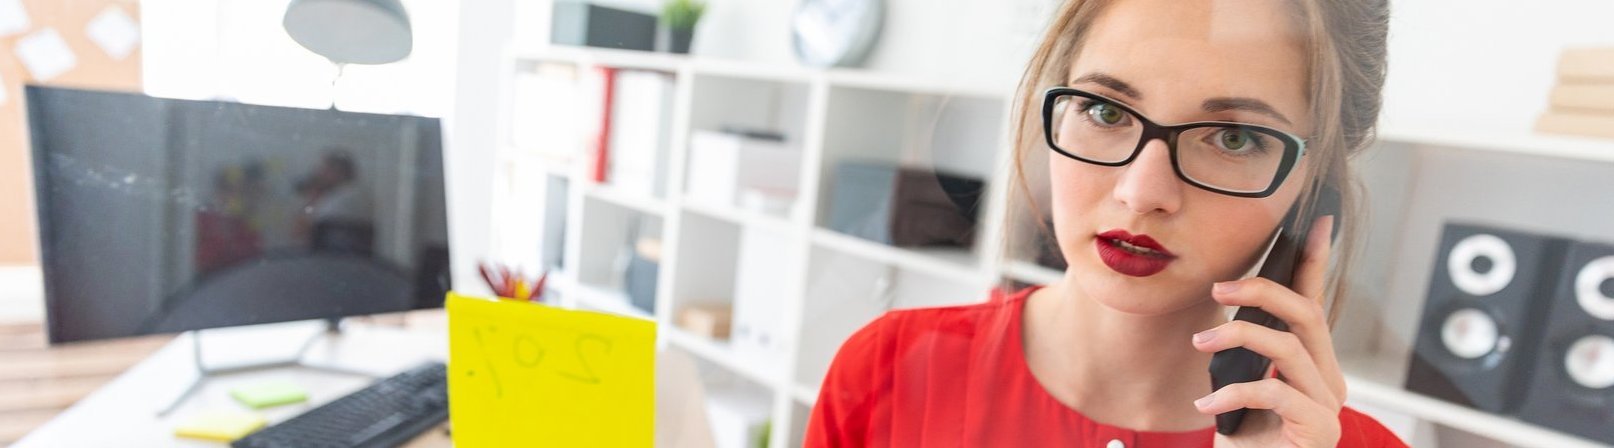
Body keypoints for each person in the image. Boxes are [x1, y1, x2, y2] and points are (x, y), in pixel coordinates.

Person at [805, 0, 1404, 447]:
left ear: (1312, 190)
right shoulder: (887, 369)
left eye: (1233, 138)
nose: (1142, 193)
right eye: (1105, 110)